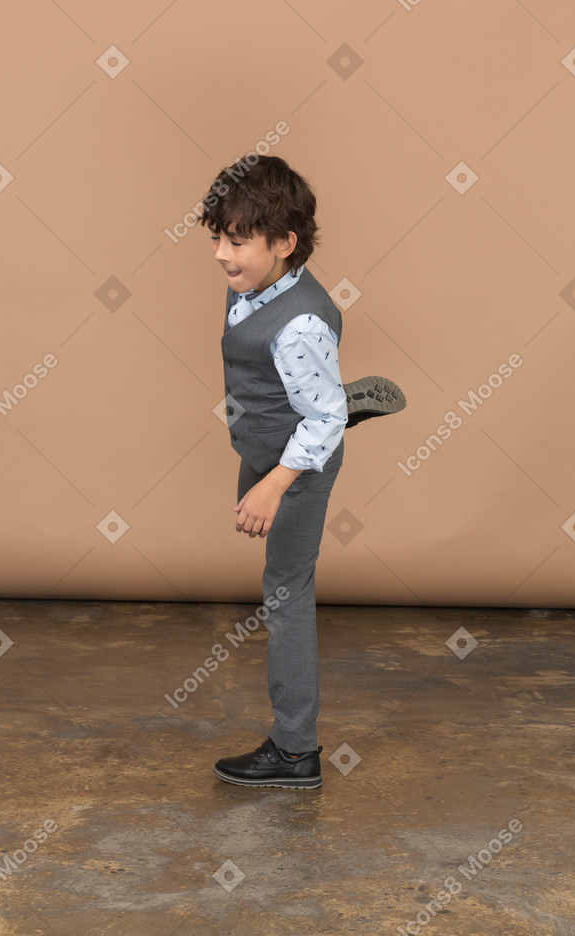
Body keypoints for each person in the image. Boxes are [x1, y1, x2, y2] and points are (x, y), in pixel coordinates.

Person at [198, 153, 348, 789]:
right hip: (266, 444)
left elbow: (320, 422)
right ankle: (324, 401)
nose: (221, 255)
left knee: (286, 596)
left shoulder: (299, 326)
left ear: (285, 244)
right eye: (217, 239)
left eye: (236, 242)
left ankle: (294, 753)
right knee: (278, 581)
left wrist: (273, 482)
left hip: (294, 463)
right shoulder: (258, 286)